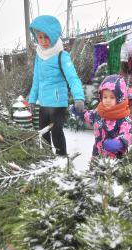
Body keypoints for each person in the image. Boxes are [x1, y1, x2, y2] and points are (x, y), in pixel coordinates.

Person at [28, 15, 85, 156]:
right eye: (40, 37)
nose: (43, 41)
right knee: (43, 132)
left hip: (58, 103)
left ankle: (61, 158)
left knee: (56, 132)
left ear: (53, 36)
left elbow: (73, 77)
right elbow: (36, 79)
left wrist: (79, 97)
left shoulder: (61, 55)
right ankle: (47, 158)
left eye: (46, 37)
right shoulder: (39, 55)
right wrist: (32, 99)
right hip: (43, 103)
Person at [71, 75, 132, 159]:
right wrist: (80, 112)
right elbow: (89, 115)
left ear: (120, 98)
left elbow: (129, 134)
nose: (108, 100)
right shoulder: (99, 113)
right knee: (94, 172)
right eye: (105, 97)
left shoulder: (123, 118)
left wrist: (119, 143)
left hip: (114, 161)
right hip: (97, 156)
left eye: (112, 97)